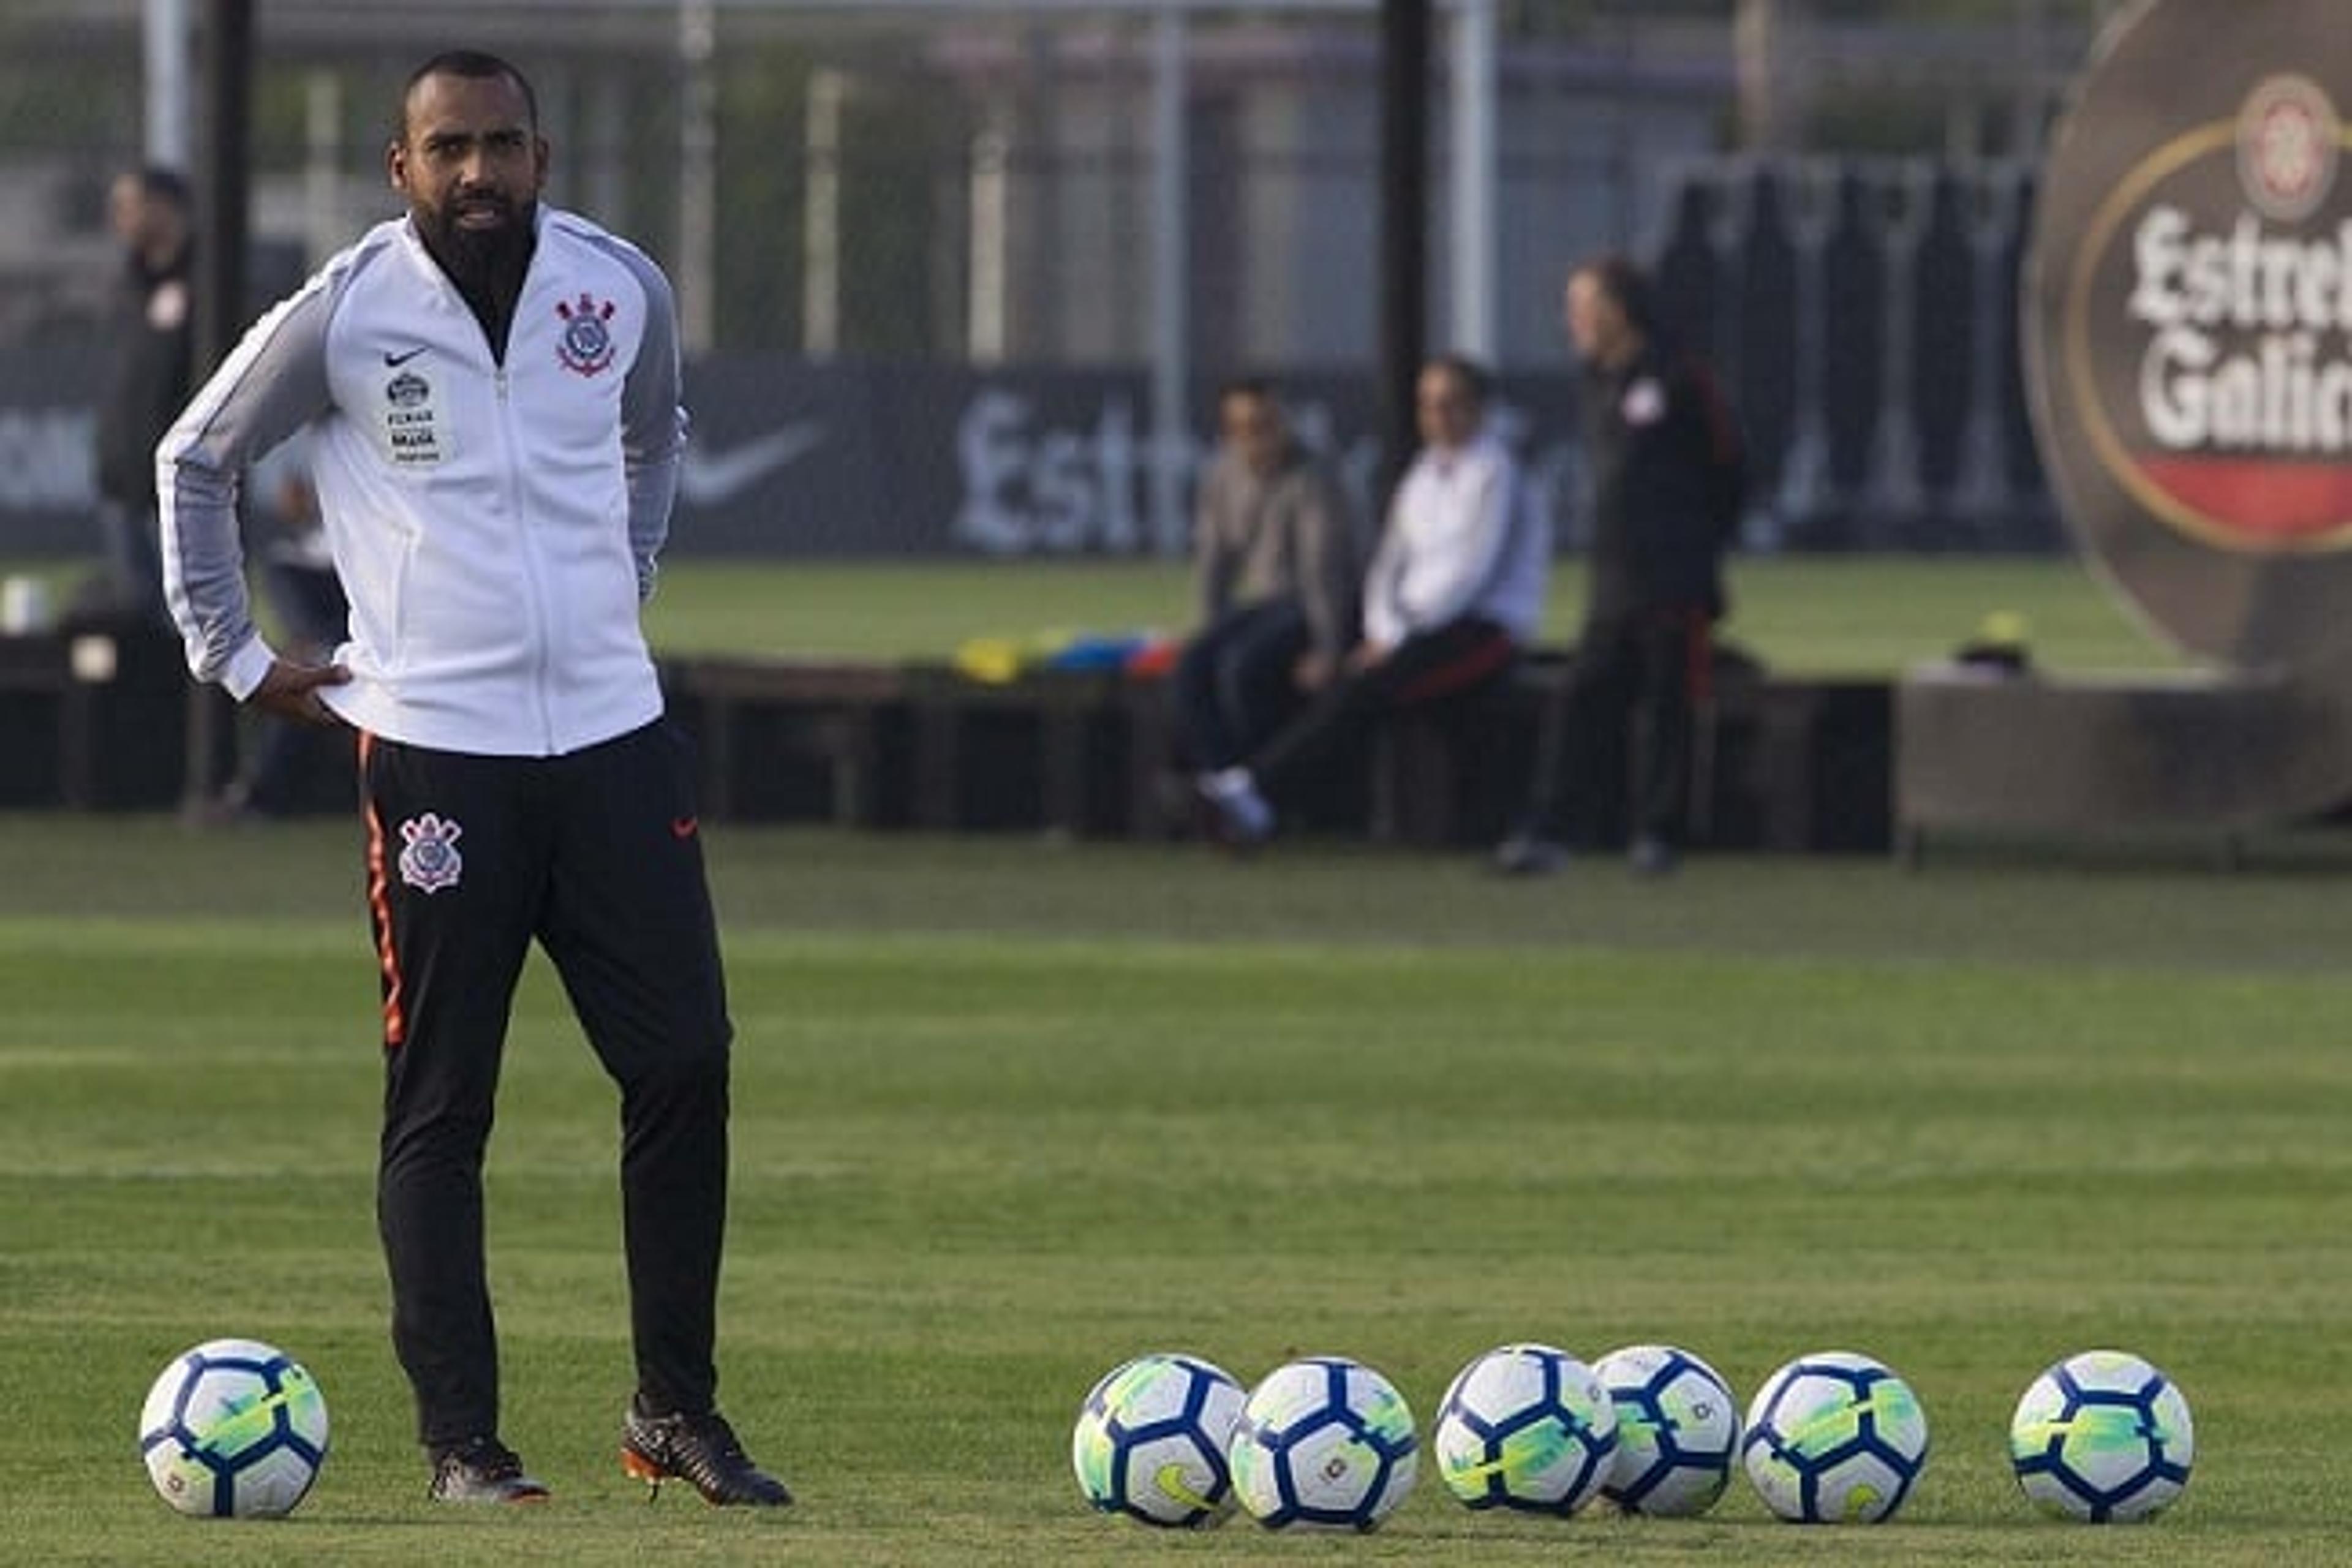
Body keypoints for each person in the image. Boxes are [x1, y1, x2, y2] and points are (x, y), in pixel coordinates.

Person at [157, 51, 790, 1508]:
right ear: (402, 168)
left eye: (501, 146)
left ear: (543, 156)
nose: (478, 174)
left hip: (618, 743)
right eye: (449, 149)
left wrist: (618, 594)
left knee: (685, 1059)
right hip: (441, 751)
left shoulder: (615, 287)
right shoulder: (348, 308)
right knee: (444, 1102)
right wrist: (235, 656)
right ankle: (465, 1443)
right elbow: (195, 458)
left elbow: (656, 433)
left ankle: (672, 1408)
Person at [1194, 355, 1548, 845]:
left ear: (1478, 410)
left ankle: (1256, 792)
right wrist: (1383, 628)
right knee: (1335, 675)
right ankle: (1278, 802)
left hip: (1481, 629)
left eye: (1450, 406)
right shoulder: (1424, 473)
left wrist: (1398, 638)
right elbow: (1389, 562)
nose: (1438, 418)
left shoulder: (1495, 473)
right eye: (1428, 406)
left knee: (1365, 688)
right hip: (1413, 628)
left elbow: (1469, 575)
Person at [1496, 254, 1744, 878]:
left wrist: (1693, 540)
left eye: (1582, 306)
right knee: (1581, 698)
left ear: (1618, 309)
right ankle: (1553, 829)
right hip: (1614, 580)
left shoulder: (1680, 378)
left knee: (1669, 704)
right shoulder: (1597, 382)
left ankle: (1659, 833)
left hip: (1673, 577)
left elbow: (1730, 466)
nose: (1572, 321)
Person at [1169, 377, 1359, 783]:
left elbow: (1321, 570)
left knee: (1244, 666)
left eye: (1267, 425)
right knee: (1192, 665)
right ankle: (1223, 778)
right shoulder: (1223, 478)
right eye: (1245, 429)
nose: (1258, 439)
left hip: (1311, 604)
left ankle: (1263, 786)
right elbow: (1214, 565)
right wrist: (1208, 628)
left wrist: (1329, 648)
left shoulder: (1313, 478)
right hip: (1263, 605)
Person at [91, 165, 194, 622]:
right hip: (122, 484)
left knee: (188, 622)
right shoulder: (126, 285)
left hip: (179, 491)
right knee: (136, 624)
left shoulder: (205, 280)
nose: (119, 218)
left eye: (129, 206)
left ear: (164, 206)